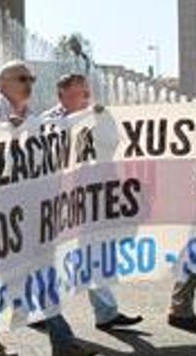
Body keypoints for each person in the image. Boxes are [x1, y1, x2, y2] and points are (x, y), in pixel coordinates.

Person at [0, 61, 96, 356]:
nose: (29, 83)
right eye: (22, 78)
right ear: (2, 85)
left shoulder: (35, 119)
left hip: (29, 216)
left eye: (32, 79)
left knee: (44, 275)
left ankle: (61, 341)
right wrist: (2, 134)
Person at [40, 74, 144, 331]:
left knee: (96, 254)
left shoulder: (97, 116)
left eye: (87, 93)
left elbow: (115, 145)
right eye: (79, 94)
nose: (85, 98)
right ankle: (43, 314)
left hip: (91, 200)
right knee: (53, 260)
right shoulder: (47, 122)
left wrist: (102, 119)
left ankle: (107, 313)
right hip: (59, 204)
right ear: (61, 95)